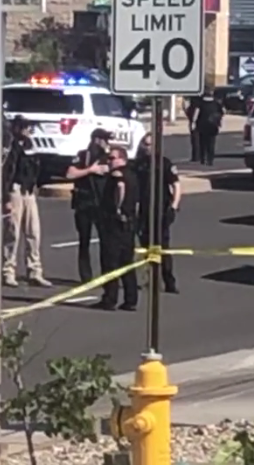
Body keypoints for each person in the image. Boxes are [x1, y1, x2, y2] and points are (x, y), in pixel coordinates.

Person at [2, 116, 51, 288]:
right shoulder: (10, 147)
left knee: (33, 232)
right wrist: (6, 197)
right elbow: (6, 172)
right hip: (14, 190)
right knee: (12, 232)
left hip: (29, 191)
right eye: (24, 127)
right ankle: (8, 270)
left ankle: (34, 271)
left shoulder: (32, 146)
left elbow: (38, 169)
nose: (28, 131)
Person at [133, 133, 181, 293]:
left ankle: (169, 281)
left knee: (163, 247)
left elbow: (176, 185)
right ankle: (151, 279)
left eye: (151, 145)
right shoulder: (138, 164)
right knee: (146, 246)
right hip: (143, 210)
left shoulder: (164, 163)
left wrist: (174, 206)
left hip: (161, 209)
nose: (147, 148)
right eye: (145, 144)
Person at [93, 147, 139, 311]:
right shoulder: (132, 175)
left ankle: (110, 299)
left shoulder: (117, 175)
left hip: (114, 224)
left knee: (110, 263)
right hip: (129, 224)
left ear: (122, 159)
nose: (109, 161)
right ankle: (131, 299)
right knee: (127, 263)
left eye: (112, 158)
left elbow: (120, 188)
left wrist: (117, 207)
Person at [66, 129, 112, 283]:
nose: (107, 143)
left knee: (106, 241)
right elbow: (70, 174)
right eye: (105, 139)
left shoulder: (108, 158)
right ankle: (86, 276)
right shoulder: (83, 156)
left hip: (102, 204)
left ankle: (107, 273)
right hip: (84, 203)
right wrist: (90, 170)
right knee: (84, 240)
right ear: (97, 140)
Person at [192, 88, 224, 166]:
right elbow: (223, 111)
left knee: (202, 143)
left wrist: (193, 122)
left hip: (202, 125)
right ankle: (210, 160)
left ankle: (203, 159)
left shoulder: (200, 103)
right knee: (211, 144)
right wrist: (219, 121)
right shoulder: (216, 103)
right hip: (213, 126)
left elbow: (196, 113)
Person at [183, 96, 201, 162]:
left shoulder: (195, 101)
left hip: (196, 122)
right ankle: (198, 156)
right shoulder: (198, 100)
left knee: (195, 140)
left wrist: (193, 121)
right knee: (196, 140)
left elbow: (196, 110)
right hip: (198, 121)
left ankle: (196, 157)